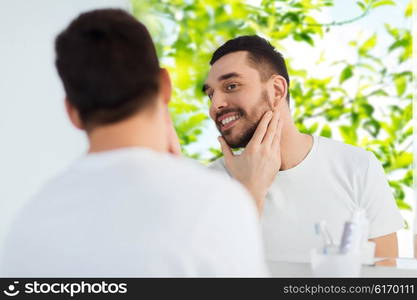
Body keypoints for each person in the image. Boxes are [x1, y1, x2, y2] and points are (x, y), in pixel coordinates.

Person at [0, 10, 268, 277]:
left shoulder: (30, 224)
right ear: (165, 85)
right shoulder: (214, 204)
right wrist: (249, 197)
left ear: (72, 113)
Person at [203, 35, 404, 262]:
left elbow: (387, 277)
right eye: (210, 95)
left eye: (231, 86)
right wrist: (251, 192)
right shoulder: (207, 183)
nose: (215, 105)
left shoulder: (358, 166)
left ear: (277, 90)